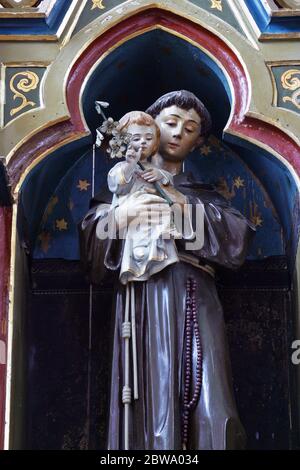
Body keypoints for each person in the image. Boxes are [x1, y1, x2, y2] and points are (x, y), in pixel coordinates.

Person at [79, 90, 256, 450]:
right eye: (170, 123)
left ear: (198, 141)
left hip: (196, 296)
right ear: (150, 127)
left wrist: (180, 211)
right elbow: (93, 245)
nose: (178, 132)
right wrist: (121, 216)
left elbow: (236, 237)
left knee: (213, 400)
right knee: (147, 393)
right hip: (143, 298)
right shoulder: (124, 186)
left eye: (190, 128)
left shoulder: (202, 194)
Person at [106, 111, 183, 285]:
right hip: (136, 216)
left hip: (157, 212)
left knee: (163, 211)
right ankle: (140, 254)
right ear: (125, 142)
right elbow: (117, 184)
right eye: (136, 138)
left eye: (148, 138)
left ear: (156, 142)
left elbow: (168, 181)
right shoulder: (123, 167)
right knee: (140, 235)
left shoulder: (154, 168)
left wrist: (160, 176)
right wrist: (130, 166)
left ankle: (164, 239)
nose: (143, 142)